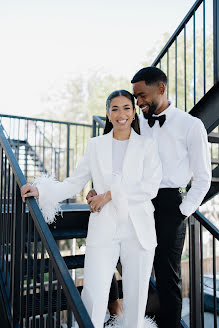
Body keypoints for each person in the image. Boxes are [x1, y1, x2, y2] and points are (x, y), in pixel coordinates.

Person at [21, 90, 162, 328]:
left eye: (126, 107)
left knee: (137, 299)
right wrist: (42, 190)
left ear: (134, 111)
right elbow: (75, 181)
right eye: (114, 109)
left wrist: (107, 195)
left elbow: (150, 188)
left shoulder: (147, 145)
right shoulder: (95, 145)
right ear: (108, 114)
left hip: (139, 230)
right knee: (94, 295)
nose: (121, 114)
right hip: (103, 227)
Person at [87, 68, 211, 328]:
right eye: (135, 97)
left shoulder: (191, 125)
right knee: (114, 257)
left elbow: (203, 178)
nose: (138, 102)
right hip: (132, 200)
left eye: (142, 95)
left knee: (166, 275)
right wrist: (96, 187)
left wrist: (181, 212)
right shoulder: (137, 121)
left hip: (169, 204)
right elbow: (113, 156)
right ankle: (119, 311)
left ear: (161, 88)